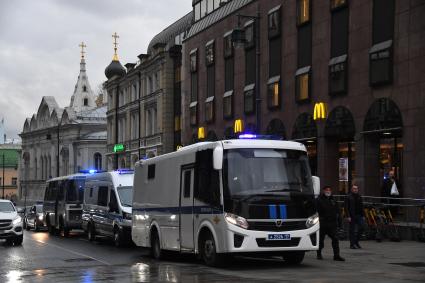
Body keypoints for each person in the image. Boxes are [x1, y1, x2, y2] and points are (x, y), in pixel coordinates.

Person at [316, 186, 345, 261]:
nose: (328, 191)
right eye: (326, 190)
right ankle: (319, 253)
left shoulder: (333, 200)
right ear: (323, 191)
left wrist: (340, 223)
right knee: (321, 240)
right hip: (323, 223)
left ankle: (336, 255)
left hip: (332, 224)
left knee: (335, 239)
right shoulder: (319, 200)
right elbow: (315, 211)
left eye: (329, 190)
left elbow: (338, 212)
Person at [345, 184, 364, 249]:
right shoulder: (348, 197)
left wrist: (363, 215)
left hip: (359, 215)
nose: (355, 190)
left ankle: (356, 241)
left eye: (356, 189)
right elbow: (346, 207)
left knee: (362, 227)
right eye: (354, 189)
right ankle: (352, 244)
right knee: (352, 230)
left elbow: (361, 206)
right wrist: (348, 216)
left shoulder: (359, 196)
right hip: (352, 216)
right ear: (351, 189)